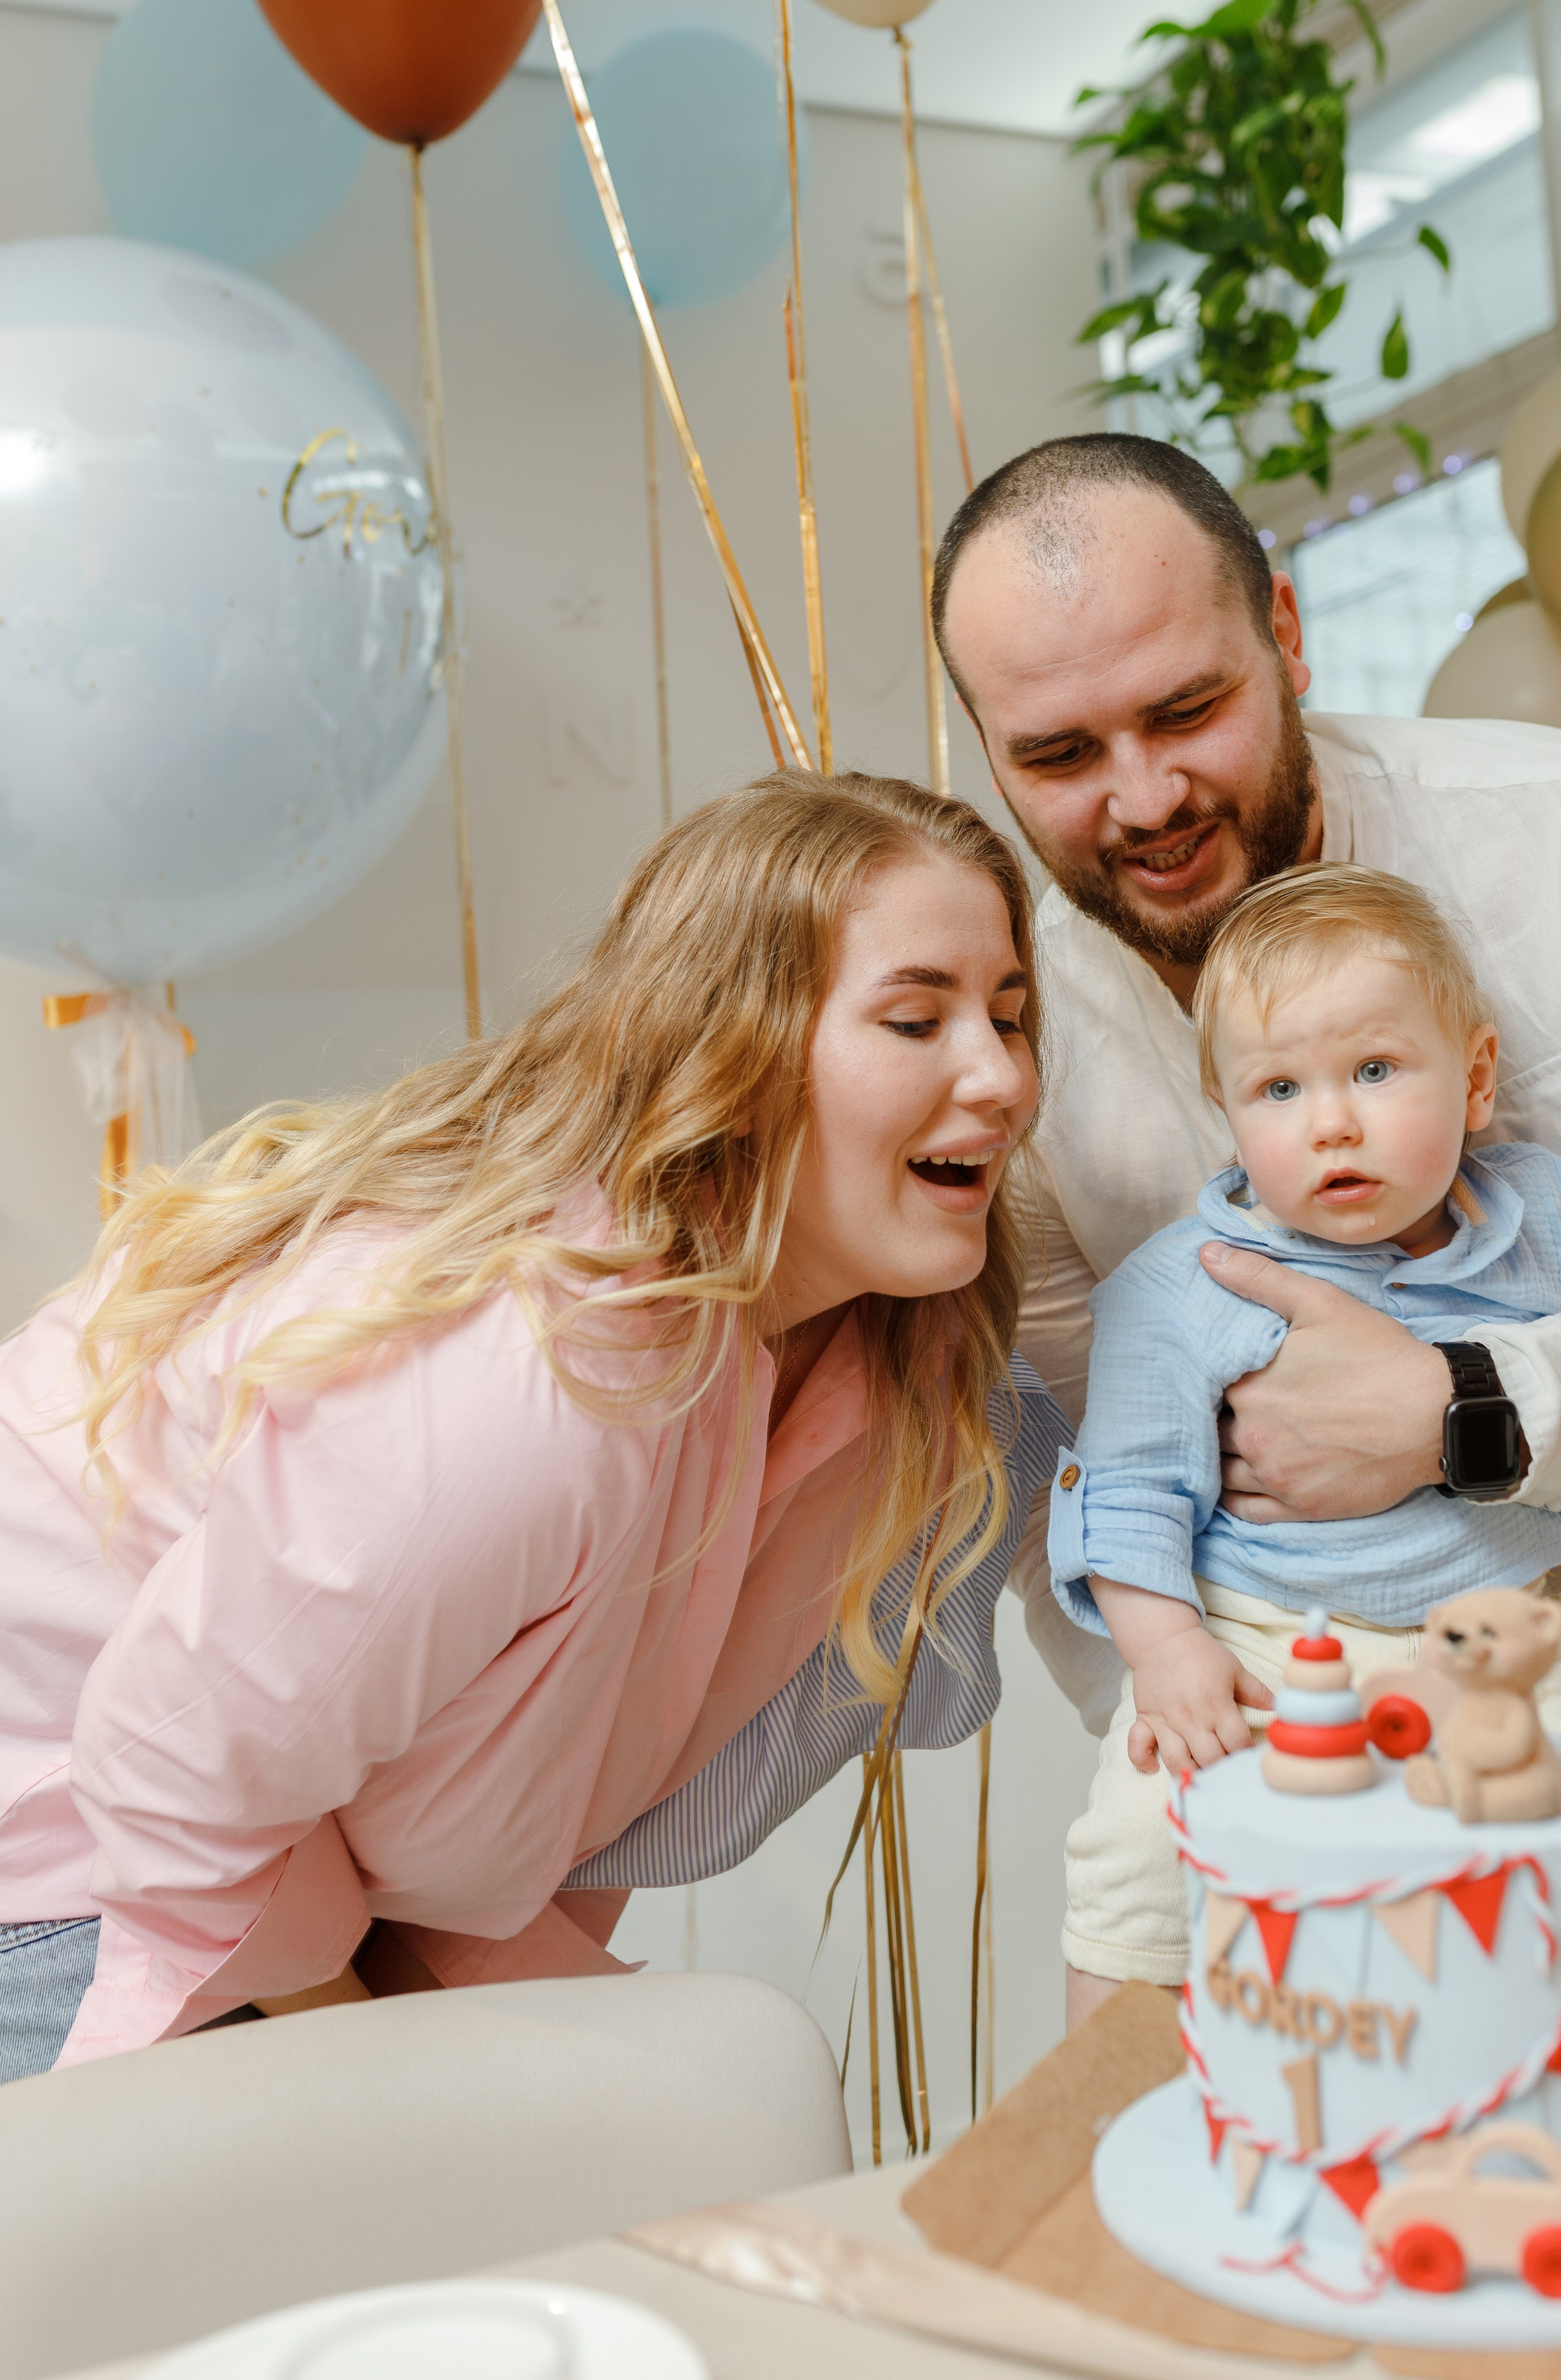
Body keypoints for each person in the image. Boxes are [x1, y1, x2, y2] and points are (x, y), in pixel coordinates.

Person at [0, 770, 1051, 2079]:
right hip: (70, 1864)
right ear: (732, 1048)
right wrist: (406, 2087)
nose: (1001, 1076)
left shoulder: (880, 1385)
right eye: (916, 1020)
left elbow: (551, 1793)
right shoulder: (541, 1375)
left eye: (1011, 1018)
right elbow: (173, 1780)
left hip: (266, 1868)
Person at [926, 431, 1561, 1782]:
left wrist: (1458, 1410)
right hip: (1304, 1693)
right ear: (984, 745)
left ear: (1285, 631)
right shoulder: (1006, 1045)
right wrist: (1214, 1743)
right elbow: (1083, 1484)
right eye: (1059, 754)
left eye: (1184, 710)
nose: (1144, 798)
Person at [1051, 863, 1561, 2010]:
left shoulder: (1529, 1215)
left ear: (1477, 1078)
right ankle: (1094, 2134)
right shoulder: (1183, 1288)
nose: (1331, 1120)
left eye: (1376, 1071)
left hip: (1504, 1650)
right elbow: (1125, 1498)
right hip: (1263, 1648)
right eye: (1278, 1089)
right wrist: (1169, 1655)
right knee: (1143, 1859)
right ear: (1229, 1114)